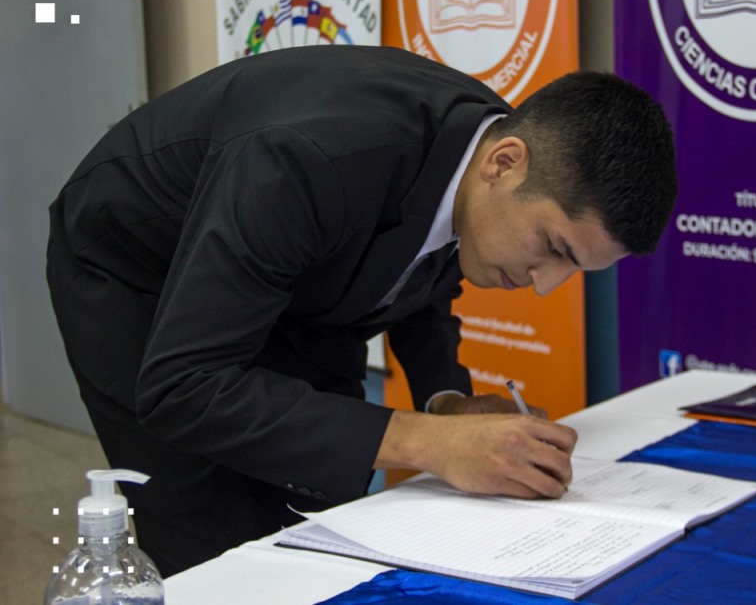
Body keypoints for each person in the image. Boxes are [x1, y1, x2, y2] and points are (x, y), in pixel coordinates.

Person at [46, 45, 678, 576]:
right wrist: (429, 441)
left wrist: (446, 401)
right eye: (553, 249)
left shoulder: (481, 161)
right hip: (134, 266)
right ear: (504, 163)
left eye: (576, 271)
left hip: (295, 272)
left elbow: (426, 258)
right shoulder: (308, 160)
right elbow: (183, 386)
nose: (546, 286)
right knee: (213, 536)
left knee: (315, 516)